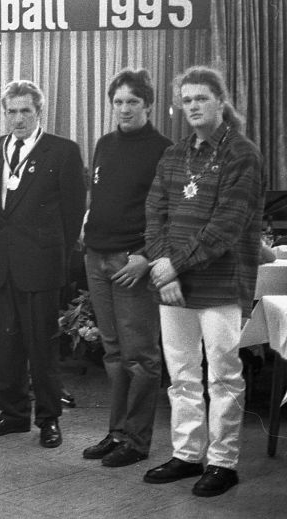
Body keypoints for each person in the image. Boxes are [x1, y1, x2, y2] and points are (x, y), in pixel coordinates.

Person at [143, 66, 264, 497]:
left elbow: (227, 225)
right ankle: (187, 454)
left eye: (202, 98)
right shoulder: (174, 154)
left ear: (220, 102)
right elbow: (154, 212)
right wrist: (163, 268)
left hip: (222, 284)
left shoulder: (242, 154)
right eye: (187, 99)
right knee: (181, 375)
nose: (193, 106)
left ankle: (223, 463)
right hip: (173, 285)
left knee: (224, 376)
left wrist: (171, 266)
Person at [0, 80, 85, 448]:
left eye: (26, 110)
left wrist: (56, 259)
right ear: (4, 114)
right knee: (5, 345)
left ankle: (49, 419)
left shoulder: (63, 151)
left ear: (39, 111)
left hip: (41, 266)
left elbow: (73, 214)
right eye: (12, 111)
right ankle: (13, 414)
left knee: (42, 347)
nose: (18, 118)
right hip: (2, 265)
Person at [81, 69, 173, 467]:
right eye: (118, 102)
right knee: (114, 353)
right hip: (97, 257)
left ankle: (136, 441)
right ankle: (117, 432)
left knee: (141, 356)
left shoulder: (164, 150)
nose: (124, 109)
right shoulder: (105, 144)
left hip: (132, 262)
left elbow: (170, 212)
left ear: (148, 105)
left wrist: (146, 258)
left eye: (132, 101)